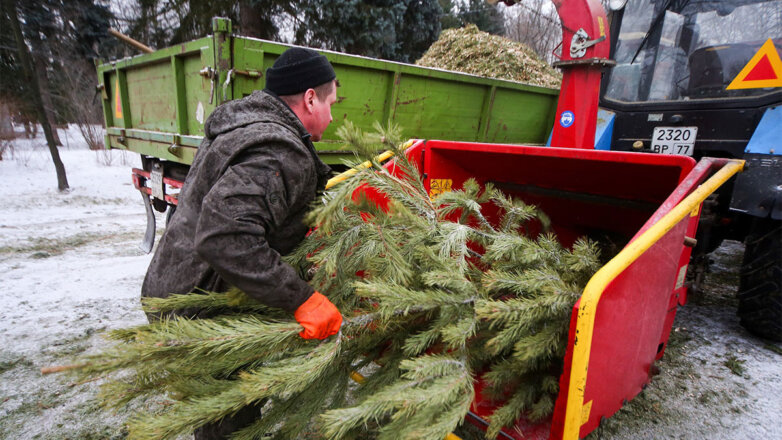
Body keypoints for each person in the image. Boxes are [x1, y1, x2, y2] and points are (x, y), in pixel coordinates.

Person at [140, 47, 344, 439]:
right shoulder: (279, 150)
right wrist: (302, 298)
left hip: (175, 287)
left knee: (218, 414)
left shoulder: (244, 126)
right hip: (202, 307)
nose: (332, 116)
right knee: (229, 422)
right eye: (331, 103)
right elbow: (227, 235)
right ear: (310, 98)